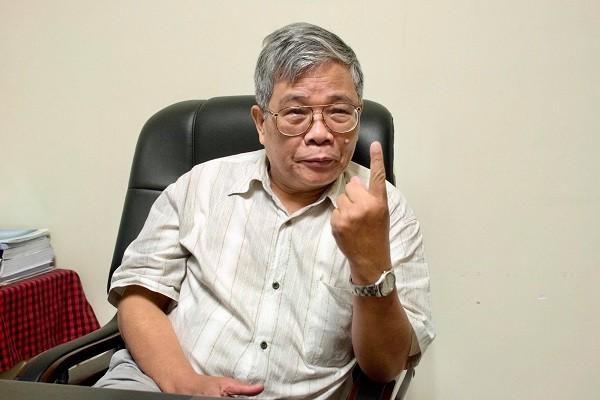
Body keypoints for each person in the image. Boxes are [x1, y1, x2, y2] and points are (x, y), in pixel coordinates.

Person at [94, 22, 434, 399]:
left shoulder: (387, 211)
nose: (320, 133)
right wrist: (186, 385)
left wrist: (369, 262)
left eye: (339, 112)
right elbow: (139, 298)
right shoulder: (199, 184)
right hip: (162, 384)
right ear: (260, 123)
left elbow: (386, 366)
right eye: (296, 113)